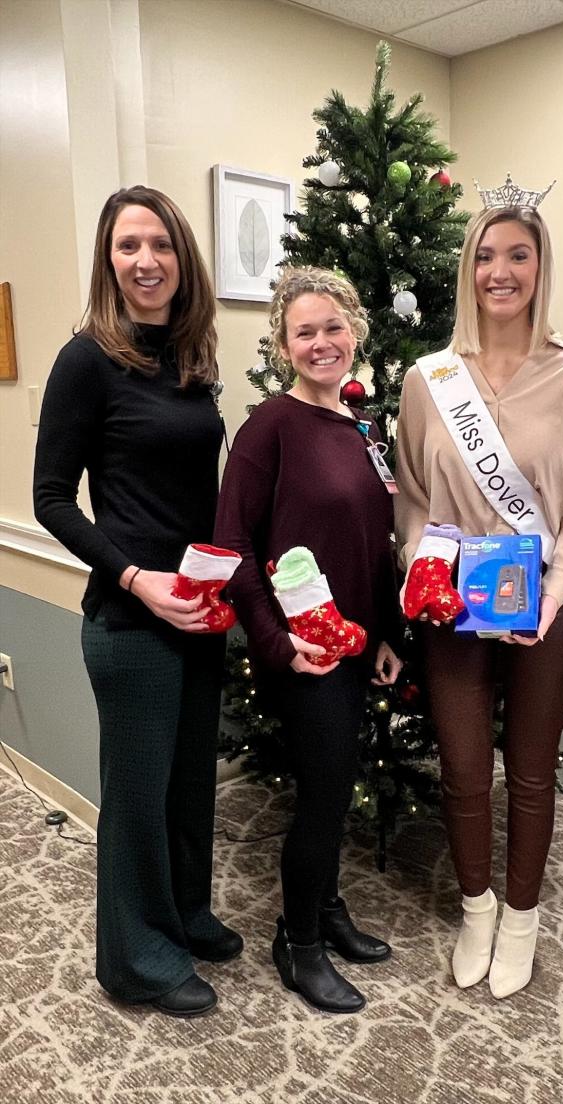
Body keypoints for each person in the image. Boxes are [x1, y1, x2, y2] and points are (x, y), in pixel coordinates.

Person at [395, 189, 563, 999]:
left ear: (540, 268)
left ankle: (522, 916)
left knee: (528, 773)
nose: (500, 271)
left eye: (518, 255)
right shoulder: (430, 379)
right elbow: (413, 502)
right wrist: (427, 572)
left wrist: (553, 595)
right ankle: (477, 908)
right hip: (453, 611)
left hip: (544, 609)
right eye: (485, 256)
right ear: (467, 271)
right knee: (461, 770)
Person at [33, 186, 239, 1017]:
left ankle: (185, 916)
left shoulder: (193, 362)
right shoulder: (87, 359)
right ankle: (135, 957)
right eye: (127, 246)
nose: (146, 261)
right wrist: (136, 579)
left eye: (160, 244)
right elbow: (50, 498)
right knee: (137, 797)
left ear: (182, 258)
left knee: (191, 786)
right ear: (107, 260)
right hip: (131, 620)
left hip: (199, 612)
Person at [213, 266, 402, 1015]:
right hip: (305, 653)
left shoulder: (362, 425)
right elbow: (232, 549)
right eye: (305, 332)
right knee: (323, 798)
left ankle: (325, 910)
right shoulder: (269, 430)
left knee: (335, 784)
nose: (322, 343)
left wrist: (388, 633)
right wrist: (277, 643)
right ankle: (299, 945)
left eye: (333, 327)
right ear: (283, 345)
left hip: (356, 643)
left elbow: (373, 539)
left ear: (353, 329)